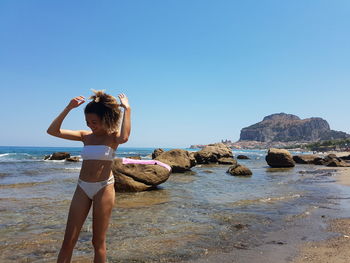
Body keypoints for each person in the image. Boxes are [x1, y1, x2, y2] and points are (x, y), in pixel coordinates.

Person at [47, 90, 131, 263]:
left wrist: (127, 109)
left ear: (105, 118)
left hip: (104, 188)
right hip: (82, 187)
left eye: (94, 122)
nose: (90, 125)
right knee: (68, 241)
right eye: (87, 122)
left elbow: (125, 136)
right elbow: (52, 131)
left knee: (97, 242)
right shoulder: (85, 136)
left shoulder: (113, 137)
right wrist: (68, 108)